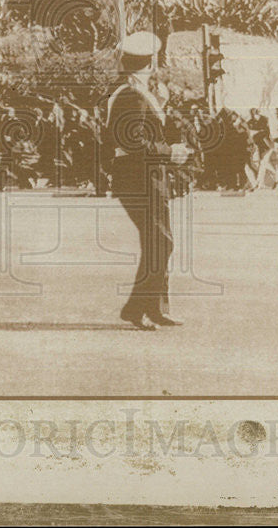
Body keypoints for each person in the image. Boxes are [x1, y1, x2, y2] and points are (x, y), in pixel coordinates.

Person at [103, 31, 192, 331]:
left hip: (145, 177)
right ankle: (138, 308)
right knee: (161, 243)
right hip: (139, 177)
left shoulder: (134, 92)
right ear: (150, 63)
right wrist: (171, 153)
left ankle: (153, 308)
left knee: (158, 243)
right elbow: (133, 142)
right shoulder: (132, 95)